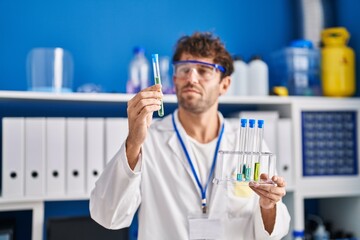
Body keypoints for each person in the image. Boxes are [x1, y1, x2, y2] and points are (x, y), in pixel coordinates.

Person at [90, 32, 291, 239]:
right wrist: (133, 141)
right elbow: (107, 216)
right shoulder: (149, 141)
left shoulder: (249, 142)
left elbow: (271, 233)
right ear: (175, 79)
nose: (191, 78)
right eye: (184, 69)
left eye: (204, 70)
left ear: (225, 85)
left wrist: (268, 206)